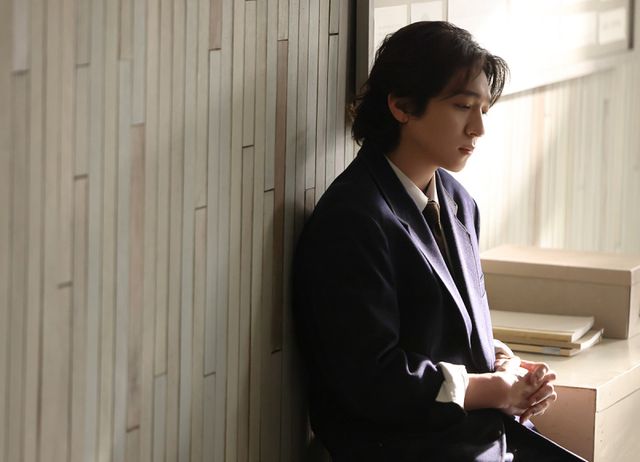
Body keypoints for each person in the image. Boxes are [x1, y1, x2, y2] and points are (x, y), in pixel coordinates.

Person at [292, 21, 587, 461]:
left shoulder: (457, 201)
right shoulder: (353, 219)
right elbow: (371, 378)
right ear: (401, 106)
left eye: (483, 109)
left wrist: (505, 366)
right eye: (463, 106)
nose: (478, 128)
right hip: (408, 449)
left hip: (481, 440)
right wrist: (491, 390)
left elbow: (448, 331)